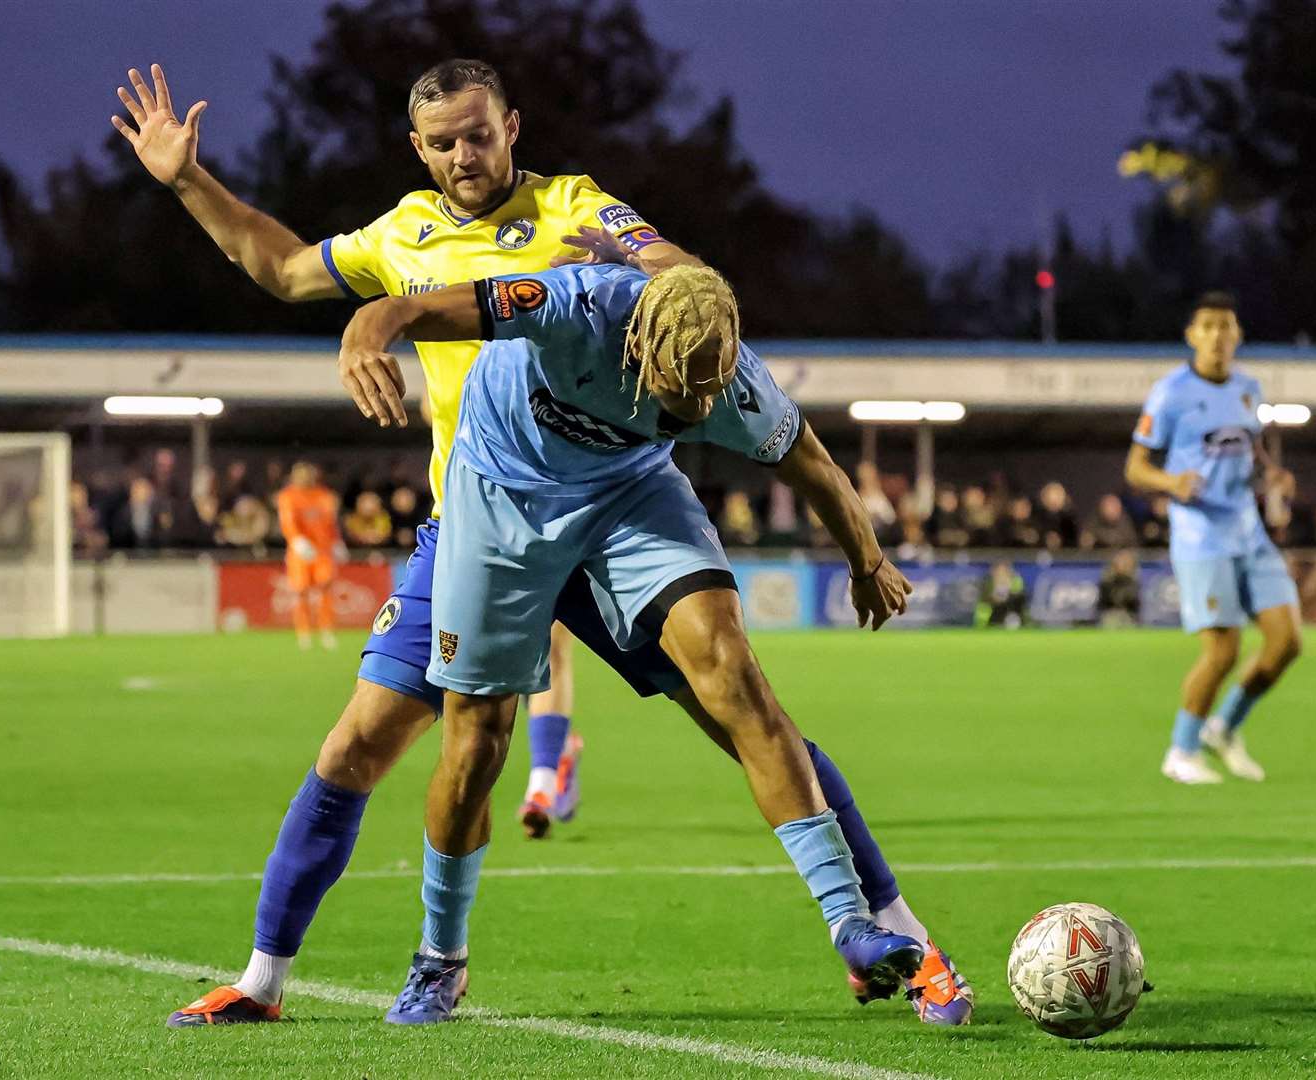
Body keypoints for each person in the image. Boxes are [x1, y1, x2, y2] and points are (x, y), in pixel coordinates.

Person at [120, 59, 966, 1029]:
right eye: (441, 142)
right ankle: (277, 979)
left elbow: (673, 270)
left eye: (478, 134)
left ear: (511, 127)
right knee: (370, 744)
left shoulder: (577, 209)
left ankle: (893, 938)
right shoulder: (401, 236)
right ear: (417, 149)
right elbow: (275, 269)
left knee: (738, 697)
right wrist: (186, 178)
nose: (462, 155)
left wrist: (628, 271)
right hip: (481, 518)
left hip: (617, 501)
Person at [336, 260, 969, 1026]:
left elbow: (811, 464)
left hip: (629, 493)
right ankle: (440, 959)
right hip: (504, 494)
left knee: (733, 671)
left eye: (713, 384)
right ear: (637, 344)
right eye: (685, 386)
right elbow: (411, 309)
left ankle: (850, 922)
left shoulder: (729, 379)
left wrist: (868, 561)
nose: (702, 403)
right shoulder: (571, 309)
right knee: (475, 744)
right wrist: (365, 334)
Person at [1125, 291, 1302, 784]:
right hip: (1202, 538)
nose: (1219, 335)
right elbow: (1136, 467)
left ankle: (1224, 727)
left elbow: (1252, 446)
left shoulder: (1249, 388)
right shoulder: (1170, 393)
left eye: (1227, 325)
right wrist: (1171, 482)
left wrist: (1273, 475)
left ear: (1238, 334)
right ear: (1192, 336)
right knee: (1223, 650)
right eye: (1208, 325)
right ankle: (1180, 753)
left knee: (1286, 643)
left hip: (1250, 531)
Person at [278, 462, 348, 651]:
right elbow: (288, 522)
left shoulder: (323, 495)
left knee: (325, 589)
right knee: (300, 591)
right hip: (300, 552)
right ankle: (304, 633)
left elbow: (330, 522)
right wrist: (296, 540)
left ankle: (326, 631)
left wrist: (336, 542)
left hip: (323, 551)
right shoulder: (288, 496)